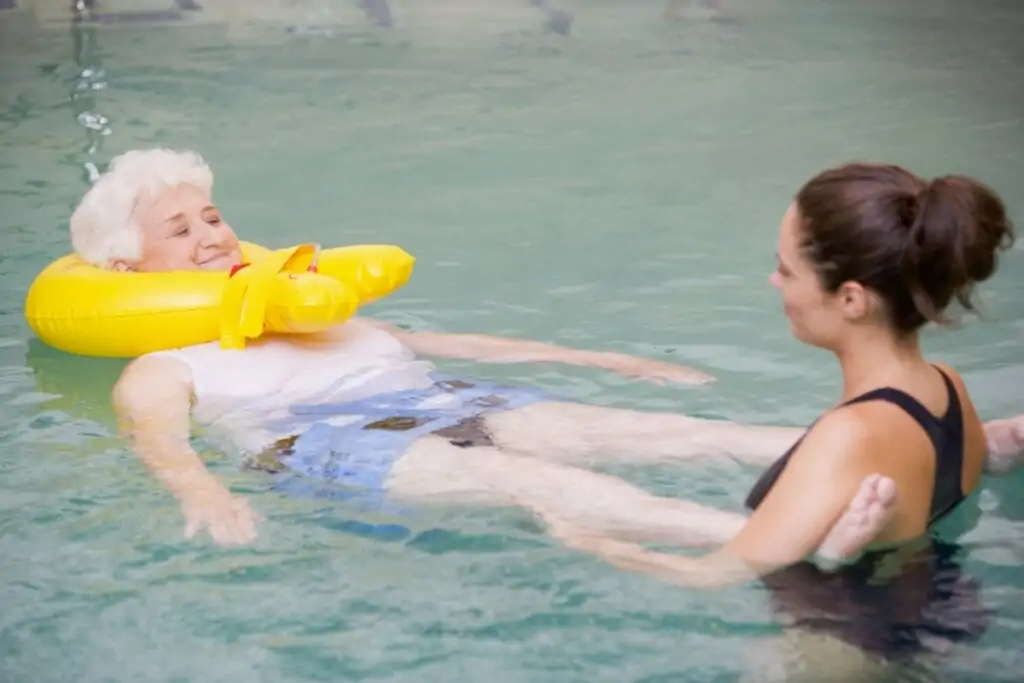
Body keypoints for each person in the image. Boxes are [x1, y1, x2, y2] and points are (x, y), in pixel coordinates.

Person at [73, 149, 1023, 564]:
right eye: (179, 225)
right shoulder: (160, 364)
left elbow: (456, 344)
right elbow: (160, 443)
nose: (210, 234)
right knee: (540, 490)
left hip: (448, 395)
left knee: (662, 431)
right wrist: (206, 494)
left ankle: (958, 440)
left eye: (213, 214)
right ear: (125, 263)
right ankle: (779, 539)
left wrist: (602, 361)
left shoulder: (306, 302)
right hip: (333, 448)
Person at [529, 162, 1020, 679]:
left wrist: (581, 538)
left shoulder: (847, 437)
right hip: (945, 619)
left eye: (787, 271)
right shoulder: (947, 387)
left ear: (851, 299)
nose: (774, 281)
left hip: (836, 655)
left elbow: (711, 575)